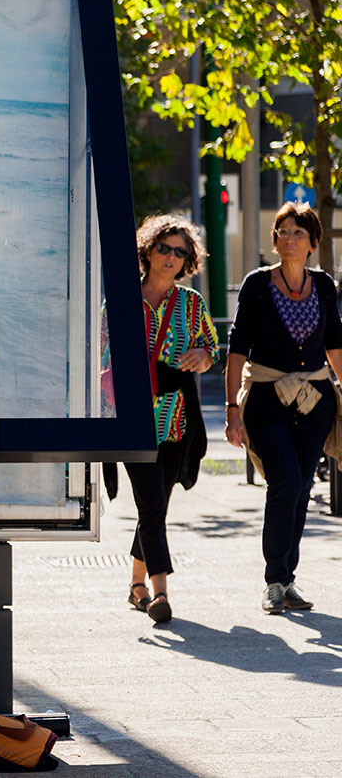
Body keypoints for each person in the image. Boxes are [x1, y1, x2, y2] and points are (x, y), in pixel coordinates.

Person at [224, 202, 342, 614]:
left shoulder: (324, 285)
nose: (288, 239)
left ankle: (287, 580)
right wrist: (231, 409)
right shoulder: (257, 284)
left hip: (315, 400)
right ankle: (274, 580)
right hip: (267, 398)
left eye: (297, 232)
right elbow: (237, 347)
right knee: (286, 484)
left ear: (312, 242)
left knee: (304, 489)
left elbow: (335, 343)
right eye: (282, 232)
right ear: (274, 240)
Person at [111, 215, 219, 624]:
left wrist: (204, 356)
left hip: (177, 420)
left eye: (180, 251)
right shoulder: (121, 299)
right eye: (164, 248)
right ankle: (160, 593)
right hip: (133, 420)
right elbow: (103, 350)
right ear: (148, 251)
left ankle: (136, 585)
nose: (171, 257)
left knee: (156, 506)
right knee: (152, 503)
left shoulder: (191, 303)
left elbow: (210, 346)